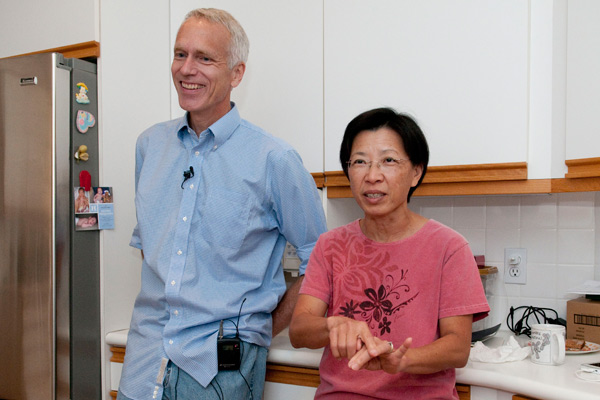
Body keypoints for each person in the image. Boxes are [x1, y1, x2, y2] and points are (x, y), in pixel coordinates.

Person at [117, 8, 327, 400]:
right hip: (144, 360)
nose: (187, 68)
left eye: (204, 58)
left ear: (236, 74)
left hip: (221, 370)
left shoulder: (274, 159)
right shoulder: (149, 146)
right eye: (180, 54)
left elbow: (322, 257)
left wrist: (260, 326)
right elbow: (150, 246)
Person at [289, 108, 490, 399]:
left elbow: (458, 348)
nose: (372, 176)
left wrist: (402, 360)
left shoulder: (449, 247)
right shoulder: (330, 245)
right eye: (360, 162)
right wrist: (334, 324)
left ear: (416, 172)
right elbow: (299, 330)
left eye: (388, 161)